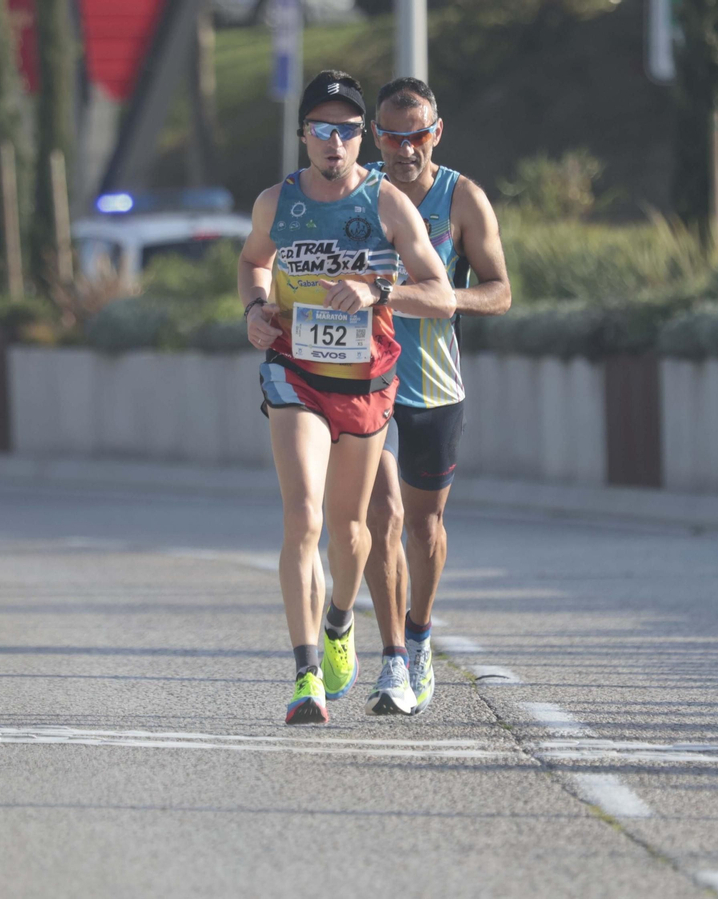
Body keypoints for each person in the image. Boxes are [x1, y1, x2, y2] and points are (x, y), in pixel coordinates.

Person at [240, 70, 455, 724]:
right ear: (303, 135)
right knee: (303, 516)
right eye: (322, 129)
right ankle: (306, 676)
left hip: (364, 382)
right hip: (294, 372)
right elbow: (254, 259)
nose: (336, 142)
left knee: (351, 530)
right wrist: (254, 306)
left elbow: (441, 292)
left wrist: (377, 292)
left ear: (362, 137)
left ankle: (340, 619)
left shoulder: (387, 204)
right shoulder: (277, 202)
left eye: (348, 130)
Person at [362, 77, 512, 714]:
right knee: (382, 519)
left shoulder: (463, 198)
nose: (405, 150)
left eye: (417, 135)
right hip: (366, 378)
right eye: (392, 137)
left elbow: (500, 291)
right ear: (377, 136)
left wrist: (448, 299)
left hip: (434, 383)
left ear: (436, 132)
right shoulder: (357, 191)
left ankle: (420, 634)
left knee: (423, 528)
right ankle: (393, 657)